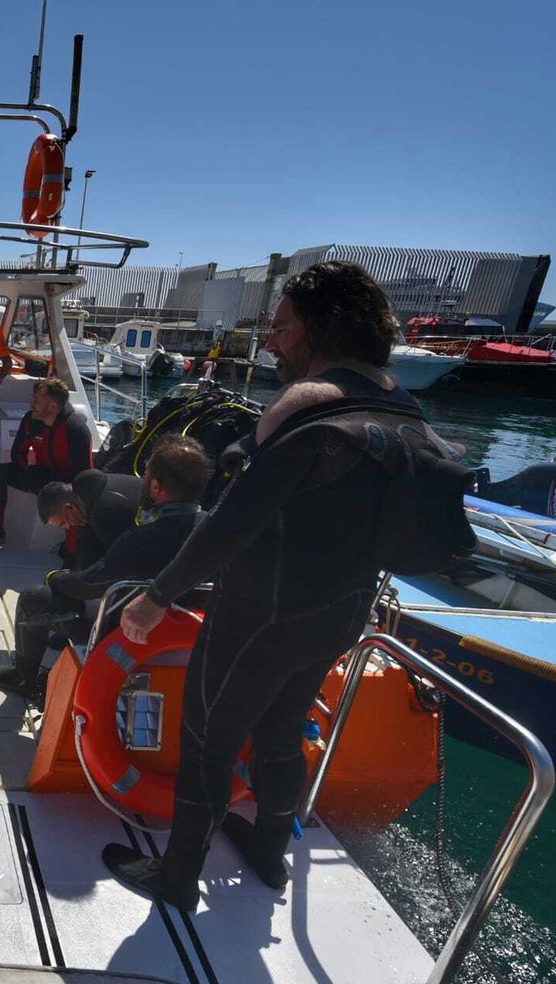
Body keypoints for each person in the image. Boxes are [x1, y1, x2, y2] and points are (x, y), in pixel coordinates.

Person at [116, 261, 429, 912]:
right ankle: (267, 850)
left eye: (281, 327)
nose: (271, 341)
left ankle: (177, 877)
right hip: (342, 612)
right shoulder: (400, 403)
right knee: (283, 730)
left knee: (209, 738)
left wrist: (158, 594)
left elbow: (234, 521)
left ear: (319, 328)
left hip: (262, 614)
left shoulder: (307, 403)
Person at [0, 435, 212, 701]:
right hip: (198, 640)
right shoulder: (224, 534)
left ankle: (23, 678)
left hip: (131, 637)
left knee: (33, 599)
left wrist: (56, 579)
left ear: (156, 487)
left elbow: (89, 585)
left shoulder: (137, 542)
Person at [0, 378, 92, 546]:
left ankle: (72, 553)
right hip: (42, 475)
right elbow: (18, 454)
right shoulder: (30, 421)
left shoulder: (75, 429)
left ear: (52, 407)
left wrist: (60, 490)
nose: (32, 403)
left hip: (67, 483)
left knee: (73, 500)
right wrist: (27, 476)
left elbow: (85, 475)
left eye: (37, 400)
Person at [40, 467, 148, 569]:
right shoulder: (86, 494)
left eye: (64, 523)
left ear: (69, 508)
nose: (68, 526)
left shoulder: (105, 511)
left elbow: (117, 563)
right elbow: (87, 550)